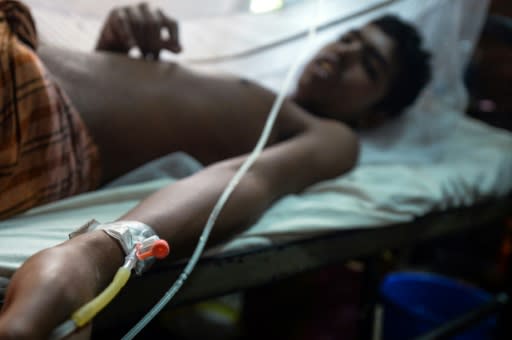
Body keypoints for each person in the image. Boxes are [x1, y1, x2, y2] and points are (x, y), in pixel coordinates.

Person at [0, 1, 430, 338]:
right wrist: (112, 50)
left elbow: (247, 180)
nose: (347, 52)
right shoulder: (254, 89)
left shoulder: (331, 135)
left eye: (370, 65)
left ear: (376, 115)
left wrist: (96, 254)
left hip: (34, 113)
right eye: (350, 38)